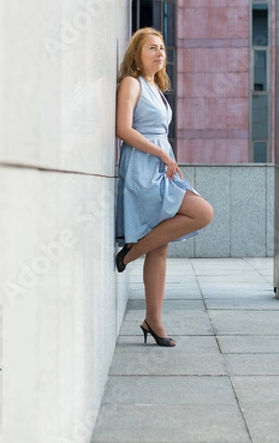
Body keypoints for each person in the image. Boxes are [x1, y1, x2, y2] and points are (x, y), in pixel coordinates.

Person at [115, 27, 213, 347]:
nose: (160, 53)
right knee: (202, 212)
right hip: (143, 169)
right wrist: (159, 152)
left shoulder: (155, 86)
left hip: (161, 166)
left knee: (161, 247)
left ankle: (153, 321)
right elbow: (123, 129)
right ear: (137, 54)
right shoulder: (132, 84)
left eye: (162, 48)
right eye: (152, 48)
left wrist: (165, 154)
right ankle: (131, 252)